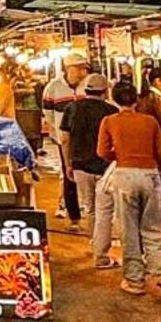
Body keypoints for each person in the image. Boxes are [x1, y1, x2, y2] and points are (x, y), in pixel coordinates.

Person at [96, 77, 161, 295]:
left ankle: (135, 280)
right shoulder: (150, 121)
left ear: (113, 99)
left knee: (128, 230)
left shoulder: (109, 121)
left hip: (124, 176)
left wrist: (120, 155)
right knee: (152, 228)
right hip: (150, 175)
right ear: (136, 100)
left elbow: (102, 152)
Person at [61, 72, 118, 258]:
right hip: (105, 167)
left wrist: (68, 163)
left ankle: (94, 241)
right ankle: (100, 249)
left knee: (90, 208)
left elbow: (65, 139)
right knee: (106, 210)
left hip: (80, 165)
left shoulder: (72, 108)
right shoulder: (111, 111)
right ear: (104, 91)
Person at [42, 60, 88, 226]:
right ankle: (73, 214)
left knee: (88, 172)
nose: (83, 73)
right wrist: (58, 131)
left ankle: (88, 208)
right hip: (64, 139)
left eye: (85, 70)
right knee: (69, 173)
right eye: (79, 69)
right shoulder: (53, 87)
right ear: (69, 69)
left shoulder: (87, 86)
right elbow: (47, 113)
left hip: (86, 138)